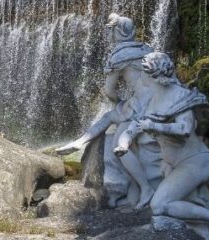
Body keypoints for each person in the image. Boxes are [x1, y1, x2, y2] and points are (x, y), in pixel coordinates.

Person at [115, 53, 209, 240]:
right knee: (197, 205)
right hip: (172, 165)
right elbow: (134, 126)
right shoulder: (152, 98)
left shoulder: (180, 96)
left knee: (160, 205)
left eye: (142, 71)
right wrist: (124, 143)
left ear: (151, 74)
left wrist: (155, 127)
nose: (140, 76)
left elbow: (184, 129)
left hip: (195, 162)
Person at [55, 13, 158, 208]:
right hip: (154, 99)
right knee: (110, 115)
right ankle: (80, 141)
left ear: (117, 32)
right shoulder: (145, 48)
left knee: (119, 145)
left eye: (110, 30)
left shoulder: (119, 56)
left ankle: (146, 187)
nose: (108, 34)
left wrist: (118, 100)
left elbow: (109, 90)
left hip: (142, 105)